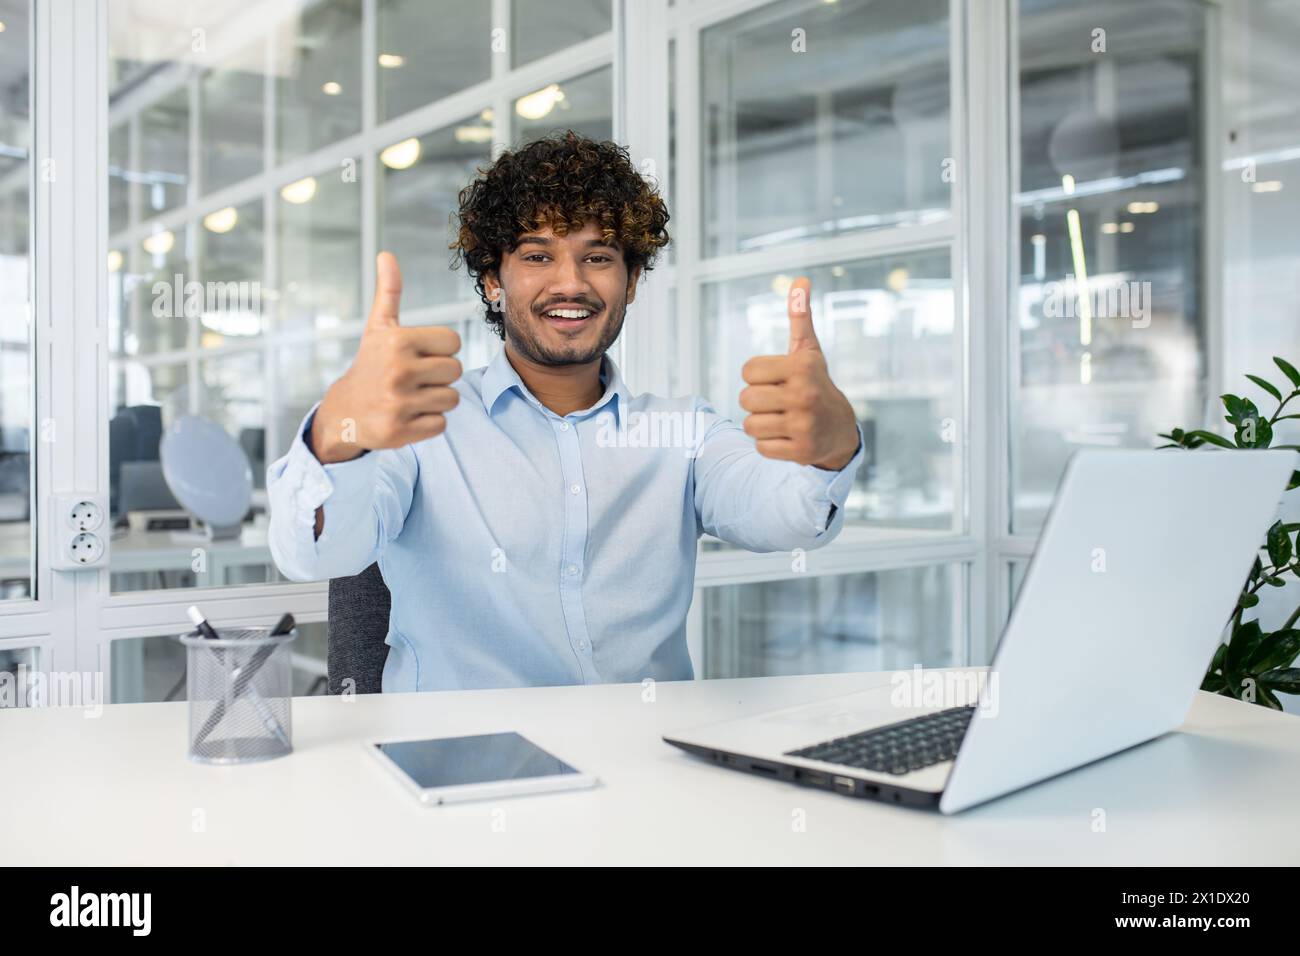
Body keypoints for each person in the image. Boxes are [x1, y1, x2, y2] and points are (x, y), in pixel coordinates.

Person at [267, 131, 864, 693]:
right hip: (462, 770)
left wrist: (831, 450)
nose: (570, 283)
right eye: (537, 256)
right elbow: (317, 554)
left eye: (598, 257)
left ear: (631, 282)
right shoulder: (423, 426)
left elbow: (786, 518)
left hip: (645, 768)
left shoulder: (683, 432)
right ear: (492, 280)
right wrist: (337, 434)